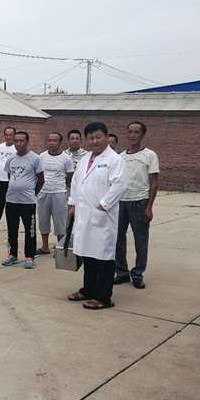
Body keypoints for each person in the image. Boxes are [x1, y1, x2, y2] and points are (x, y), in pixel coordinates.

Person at [67, 122, 126, 310]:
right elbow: (76, 182)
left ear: (107, 137)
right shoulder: (85, 158)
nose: (94, 141)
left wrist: (103, 206)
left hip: (103, 216)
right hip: (84, 215)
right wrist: (72, 204)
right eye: (91, 138)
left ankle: (104, 297)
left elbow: (120, 185)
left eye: (98, 137)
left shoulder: (114, 160)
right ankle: (88, 289)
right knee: (87, 255)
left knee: (104, 258)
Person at [114, 121, 160, 289]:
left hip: (140, 203)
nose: (133, 135)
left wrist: (149, 207)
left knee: (140, 240)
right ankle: (122, 272)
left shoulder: (150, 155)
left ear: (142, 135)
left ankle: (138, 274)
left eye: (136, 132)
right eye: (130, 132)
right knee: (118, 239)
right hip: (121, 203)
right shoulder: (121, 157)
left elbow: (154, 182)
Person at [2, 131, 44, 269]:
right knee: (11, 230)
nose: (18, 143)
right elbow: (9, 176)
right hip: (11, 201)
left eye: (22, 141)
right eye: (16, 141)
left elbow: (41, 180)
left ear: (27, 142)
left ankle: (29, 256)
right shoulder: (11, 159)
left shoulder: (35, 158)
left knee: (29, 231)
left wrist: (32, 193)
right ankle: (12, 254)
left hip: (28, 202)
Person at [37, 132, 74, 254]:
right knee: (43, 221)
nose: (51, 143)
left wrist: (63, 189)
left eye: (54, 140)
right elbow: (38, 174)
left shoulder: (66, 158)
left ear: (60, 142)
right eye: (49, 140)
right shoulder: (41, 156)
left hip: (59, 193)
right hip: (43, 193)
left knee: (60, 223)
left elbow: (70, 177)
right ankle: (45, 247)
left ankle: (60, 249)